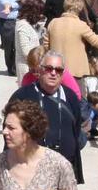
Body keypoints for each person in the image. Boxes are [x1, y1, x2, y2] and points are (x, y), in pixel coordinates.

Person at [10, 50, 89, 183]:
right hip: (31, 171)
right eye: (49, 69)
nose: (53, 73)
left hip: (64, 169)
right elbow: (10, 131)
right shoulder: (22, 96)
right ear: (40, 70)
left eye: (58, 70)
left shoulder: (70, 97)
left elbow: (75, 130)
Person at [45, 0, 98, 95]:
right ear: (79, 9)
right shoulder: (80, 25)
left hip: (56, 68)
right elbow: (96, 40)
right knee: (77, 99)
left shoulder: (53, 23)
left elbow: (46, 44)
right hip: (75, 71)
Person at [0, 0, 25, 76]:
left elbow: (24, 0)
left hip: (19, 20)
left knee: (18, 45)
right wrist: (16, 4)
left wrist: (11, 6)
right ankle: (10, 68)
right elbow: (3, 3)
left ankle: (16, 68)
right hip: (6, 22)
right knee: (8, 47)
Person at [14, 0, 47, 80]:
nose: (40, 15)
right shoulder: (22, 26)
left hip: (33, 66)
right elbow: (26, 51)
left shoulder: (28, 24)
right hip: (27, 68)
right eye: (39, 12)